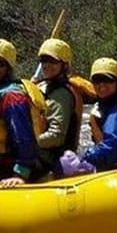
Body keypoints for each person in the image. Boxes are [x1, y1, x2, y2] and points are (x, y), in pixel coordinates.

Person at [59, 57, 117, 175]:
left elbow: (112, 146)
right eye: (97, 80)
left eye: (107, 80)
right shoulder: (106, 106)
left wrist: (83, 158)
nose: (102, 85)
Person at [0, 38, 47, 187]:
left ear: (8, 68)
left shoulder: (11, 96)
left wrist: (20, 174)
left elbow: (23, 137)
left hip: (5, 166)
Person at [33, 38, 85, 171]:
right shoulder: (43, 86)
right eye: (44, 61)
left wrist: (26, 142)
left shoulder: (62, 94)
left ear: (64, 65)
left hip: (51, 158)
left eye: (53, 61)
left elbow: (56, 137)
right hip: (39, 152)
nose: (47, 65)